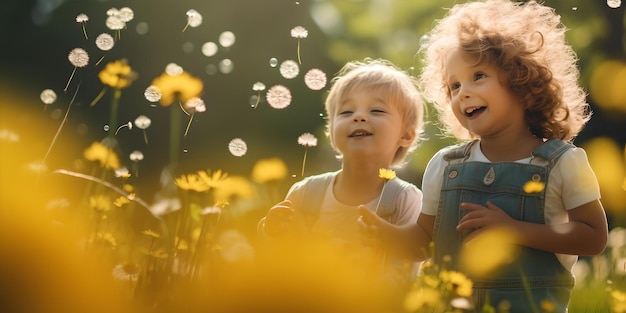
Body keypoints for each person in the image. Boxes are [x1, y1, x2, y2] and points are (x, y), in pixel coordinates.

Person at [358, 1, 609, 312]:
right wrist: (383, 235)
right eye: (454, 85)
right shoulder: (445, 165)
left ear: (520, 79)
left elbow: (593, 237)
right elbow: (424, 240)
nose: (463, 92)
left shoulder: (563, 162)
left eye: (478, 76)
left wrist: (514, 230)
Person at [257, 58, 425, 307]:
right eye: (346, 111)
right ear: (331, 133)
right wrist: (270, 230)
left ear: (406, 134)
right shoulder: (306, 193)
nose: (358, 117)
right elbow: (281, 261)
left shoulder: (404, 199)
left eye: (376, 110)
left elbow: (403, 274)